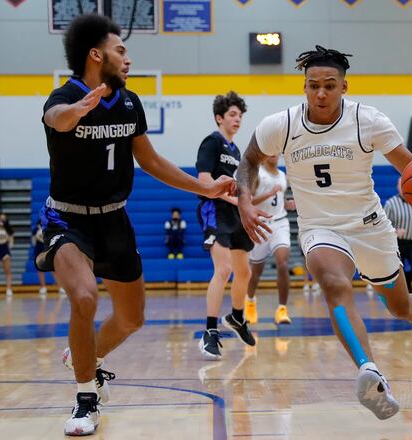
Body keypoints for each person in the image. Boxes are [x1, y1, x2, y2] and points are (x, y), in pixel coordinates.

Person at [236, 45, 412, 421]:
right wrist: (245, 199)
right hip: (320, 228)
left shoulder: (368, 121)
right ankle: (370, 373)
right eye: (312, 86)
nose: (320, 93)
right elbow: (249, 160)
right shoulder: (283, 125)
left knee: (401, 307)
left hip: (369, 226)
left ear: (344, 86)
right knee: (331, 282)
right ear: (304, 87)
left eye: (329, 85)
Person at [37, 14, 234, 436]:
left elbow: (151, 162)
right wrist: (78, 109)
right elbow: (58, 119)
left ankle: (85, 357)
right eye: (120, 50)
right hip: (66, 218)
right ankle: (86, 398)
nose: (128, 58)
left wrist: (207, 190)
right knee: (85, 297)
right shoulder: (64, 96)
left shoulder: (129, 102)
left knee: (131, 318)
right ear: (96, 55)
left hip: (115, 219)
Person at [195, 91, 256, 361]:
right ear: (219, 118)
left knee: (244, 272)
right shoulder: (212, 143)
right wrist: (231, 198)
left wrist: (245, 202)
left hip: (233, 213)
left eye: (240, 115)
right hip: (215, 211)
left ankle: (237, 317)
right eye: (232, 114)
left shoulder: (235, 150)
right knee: (224, 270)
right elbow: (204, 181)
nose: (237, 119)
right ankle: (210, 331)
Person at [245, 154, 296, 325]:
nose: (274, 154)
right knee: (255, 272)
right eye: (270, 151)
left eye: (277, 151)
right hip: (260, 224)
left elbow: (280, 200)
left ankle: (282, 309)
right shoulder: (257, 174)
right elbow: (249, 202)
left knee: (283, 263)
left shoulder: (283, 176)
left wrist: (288, 204)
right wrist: (269, 194)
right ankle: (250, 302)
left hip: (280, 223)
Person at [384, 178, 412, 292]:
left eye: (405, 185)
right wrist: (395, 230)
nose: (402, 187)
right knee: (396, 269)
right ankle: (404, 289)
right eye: (400, 185)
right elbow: (383, 225)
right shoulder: (390, 203)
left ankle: (407, 282)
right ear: (397, 187)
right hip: (397, 243)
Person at [33, 219, 65, 297]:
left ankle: (60, 287)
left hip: (48, 249)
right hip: (39, 250)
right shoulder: (36, 229)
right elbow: (33, 240)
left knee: (53, 269)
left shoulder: (50, 227)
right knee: (40, 269)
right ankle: (43, 287)